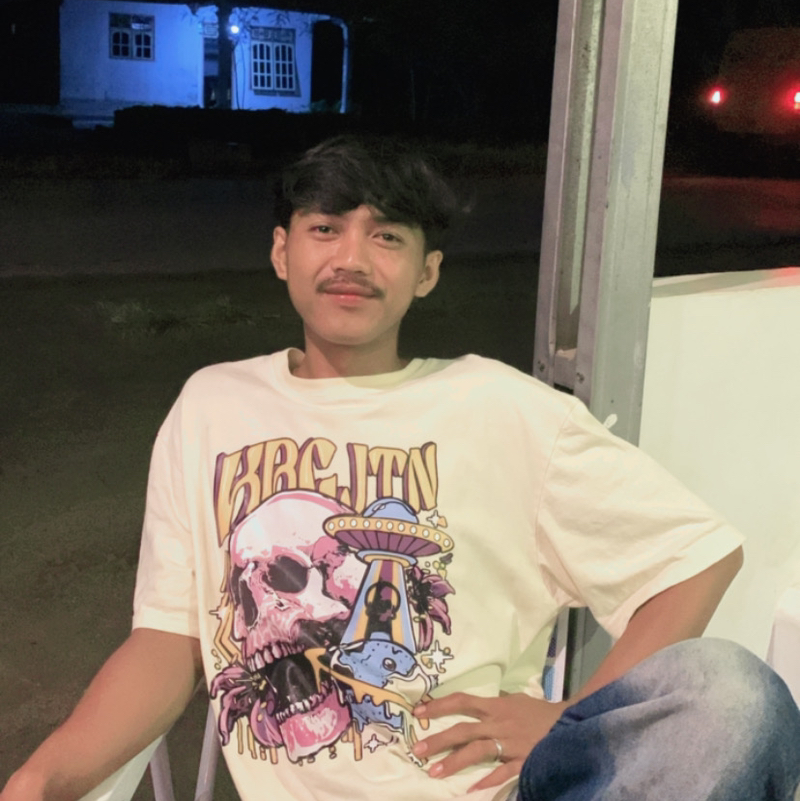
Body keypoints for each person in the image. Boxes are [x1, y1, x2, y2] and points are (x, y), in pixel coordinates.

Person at [3, 136, 799, 801]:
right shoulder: (211, 406)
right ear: (281, 251)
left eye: (387, 236)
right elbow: (164, 643)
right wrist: (42, 777)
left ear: (427, 271)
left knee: (733, 696)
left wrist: (570, 720)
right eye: (325, 228)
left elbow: (694, 557)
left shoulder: (498, 407)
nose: (352, 258)